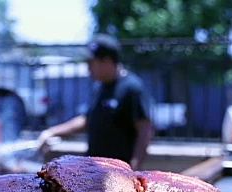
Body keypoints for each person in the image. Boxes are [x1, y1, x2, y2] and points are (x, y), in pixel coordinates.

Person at [37, 34, 153, 170]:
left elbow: (145, 129)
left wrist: (134, 167)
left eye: (91, 62)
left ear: (107, 61)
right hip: (95, 171)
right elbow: (87, 120)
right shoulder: (100, 87)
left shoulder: (131, 88)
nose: (88, 68)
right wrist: (52, 132)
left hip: (118, 173)